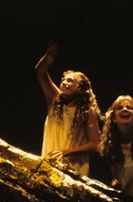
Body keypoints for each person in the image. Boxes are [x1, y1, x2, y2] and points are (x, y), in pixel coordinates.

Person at [35, 41, 103, 176]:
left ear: (80, 88)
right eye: (63, 80)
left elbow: (94, 145)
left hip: (74, 171)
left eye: (70, 80)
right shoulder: (54, 100)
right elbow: (40, 72)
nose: (64, 82)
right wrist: (46, 60)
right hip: (50, 167)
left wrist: (66, 152)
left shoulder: (87, 111)